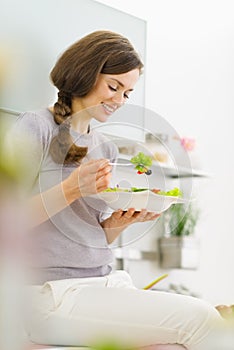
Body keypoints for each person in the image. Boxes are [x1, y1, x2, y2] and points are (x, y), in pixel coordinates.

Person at [11, 30, 222, 350]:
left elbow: (91, 235)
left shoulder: (105, 148)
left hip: (105, 283)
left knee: (175, 345)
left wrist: (118, 223)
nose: (120, 100)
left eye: (127, 93)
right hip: (50, 293)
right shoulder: (36, 127)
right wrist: (71, 189)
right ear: (84, 73)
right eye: (114, 86)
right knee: (203, 320)